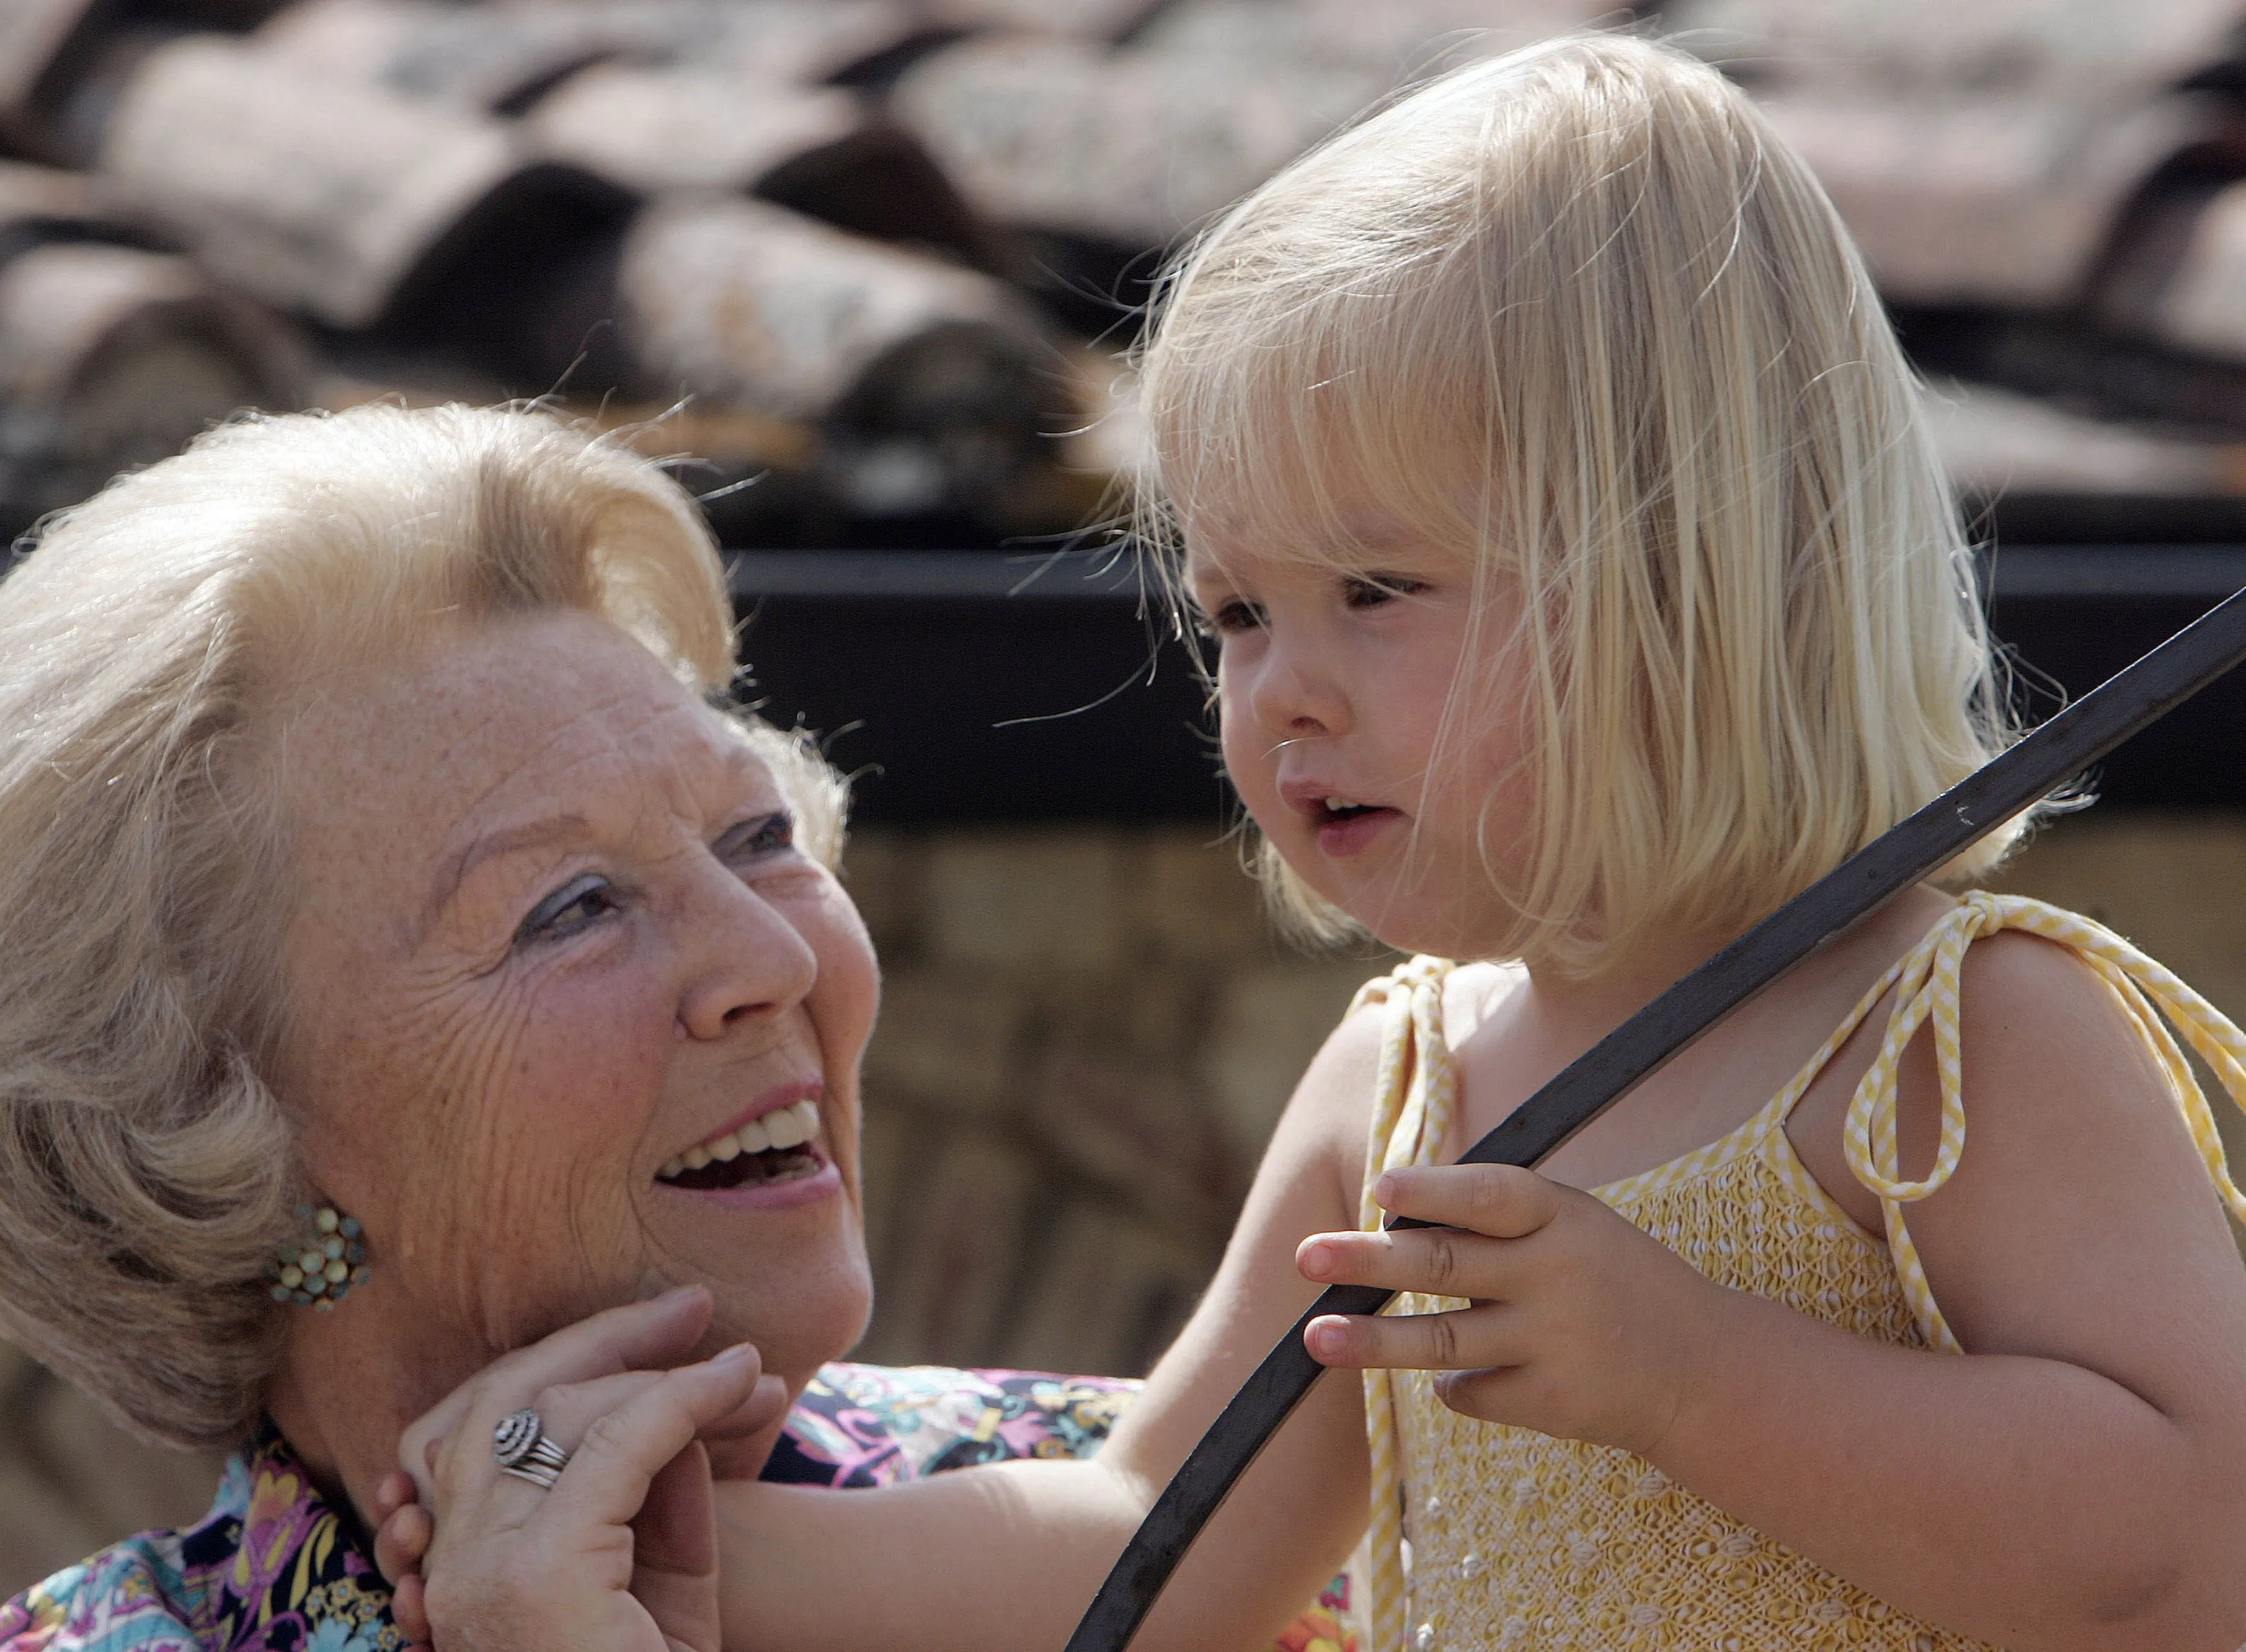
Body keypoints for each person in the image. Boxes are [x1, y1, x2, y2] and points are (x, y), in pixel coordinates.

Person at [391, 34, 2246, 1652]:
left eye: (1376, 588)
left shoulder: (1960, 1046)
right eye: (1237, 615)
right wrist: (669, 1556)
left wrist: (1695, 1375)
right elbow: (1146, 1548)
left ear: (1695, 585)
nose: (1283, 692)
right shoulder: (1405, 1080)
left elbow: (2194, 1559)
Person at [0, 403, 1359, 1652]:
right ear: (211, 1140)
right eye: (571, 907)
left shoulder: (1206, 1537)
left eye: (758, 835)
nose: (766, 951)